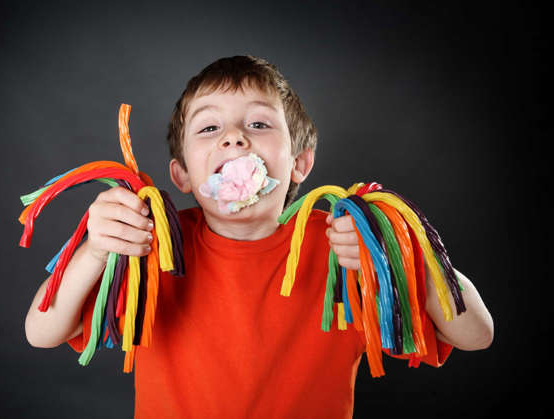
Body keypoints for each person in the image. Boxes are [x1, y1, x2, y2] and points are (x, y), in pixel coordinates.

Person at [25, 55, 493, 418]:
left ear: (300, 163)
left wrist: (399, 256)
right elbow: (41, 332)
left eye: (259, 124)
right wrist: (96, 250)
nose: (234, 138)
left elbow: (477, 334)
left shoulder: (346, 247)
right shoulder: (152, 244)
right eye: (210, 127)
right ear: (182, 174)